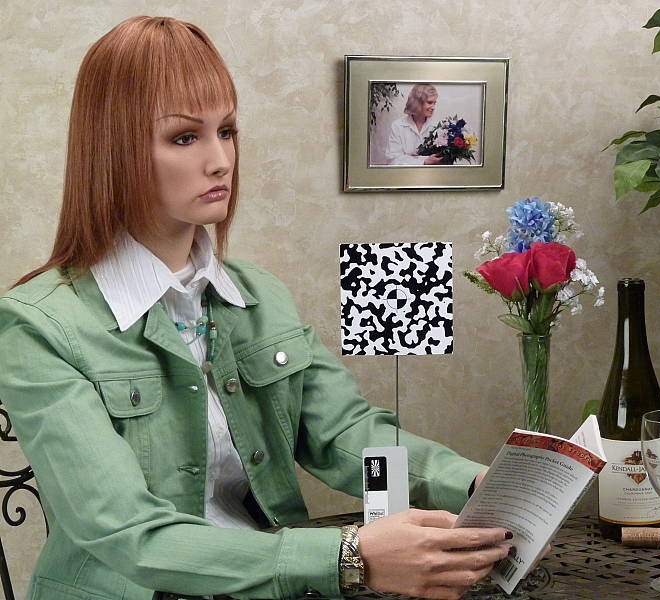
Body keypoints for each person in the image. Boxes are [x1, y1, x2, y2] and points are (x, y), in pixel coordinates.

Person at [0, 16, 517, 600]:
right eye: (184, 137)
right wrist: (349, 558)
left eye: (227, 131)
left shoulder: (259, 295)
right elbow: (127, 533)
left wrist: (477, 484)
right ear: (112, 150)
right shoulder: (37, 326)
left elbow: (346, 434)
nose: (221, 160)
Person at [385, 83, 445, 166]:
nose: (433, 107)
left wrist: (409, 158)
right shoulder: (398, 126)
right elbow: (392, 161)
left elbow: (441, 158)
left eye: (434, 103)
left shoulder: (438, 127)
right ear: (417, 103)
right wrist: (424, 161)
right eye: (429, 102)